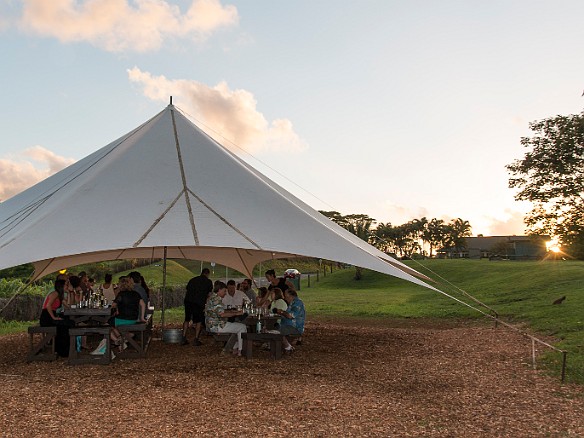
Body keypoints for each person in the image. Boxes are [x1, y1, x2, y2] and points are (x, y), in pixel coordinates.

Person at [205, 281, 247, 356]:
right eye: (224, 291)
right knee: (242, 327)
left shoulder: (212, 297)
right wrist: (237, 313)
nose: (225, 293)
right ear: (219, 290)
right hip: (216, 325)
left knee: (236, 327)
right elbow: (222, 314)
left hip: (211, 324)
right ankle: (240, 351)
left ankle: (234, 348)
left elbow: (219, 311)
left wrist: (232, 312)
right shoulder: (217, 299)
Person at [39, 279, 74, 357]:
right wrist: (54, 317)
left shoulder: (60, 295)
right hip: (46, 317)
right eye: (66, 285)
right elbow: (48, 305)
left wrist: (69, 293)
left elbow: (69, 306)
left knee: (69, 323)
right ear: (61, 286)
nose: (67, 286)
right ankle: (61, 350)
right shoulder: (55, 293)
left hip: (51, 315)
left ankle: (64, 350)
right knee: (65, 325)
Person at [183, 268, 213, 346]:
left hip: (188, 301)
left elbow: (187, 290)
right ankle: (196, 339)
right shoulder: (208, 282)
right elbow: (209, 295)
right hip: (199, 303)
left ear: (201, 273)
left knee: (187, 319)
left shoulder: (192, 280)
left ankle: (183, 337)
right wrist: (207, 304)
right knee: (199, 321)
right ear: (208, 274)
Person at [273, 289, 305, 353]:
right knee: (273, 327)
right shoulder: (291, 303)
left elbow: (290, 316)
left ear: (291, 296)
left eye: (286, 296)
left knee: (277, 331)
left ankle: (288, 347)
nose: (285, 298)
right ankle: (277, 346)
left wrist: (281, 312)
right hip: (287, 325)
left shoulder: (298, 303)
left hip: (295, 327)